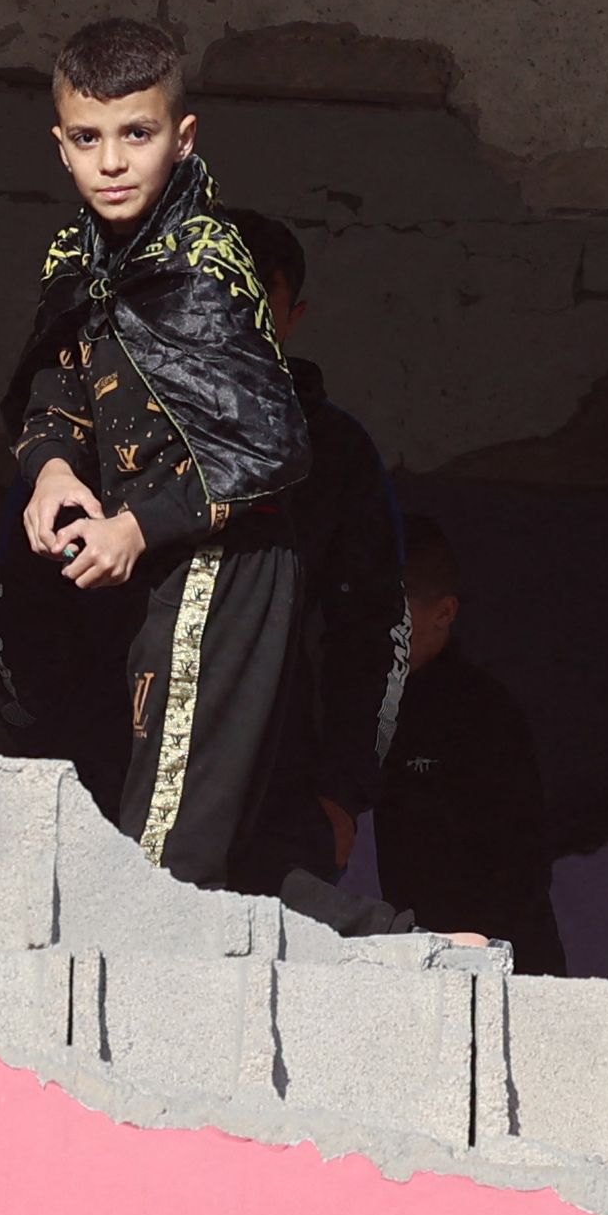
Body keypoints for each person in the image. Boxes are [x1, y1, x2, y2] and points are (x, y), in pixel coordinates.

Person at [0, 17, 319, 893]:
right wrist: (53, 470)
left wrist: (137, 524)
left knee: (165, 849)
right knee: (160, 824)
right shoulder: (78, 252)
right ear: (60, 145)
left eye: (136, 134)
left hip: (218, 565)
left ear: (183, 136)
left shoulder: (205, 261)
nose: (111, 161)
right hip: (129, 573)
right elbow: (56, 383)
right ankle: (413, 946)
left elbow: (267, 442)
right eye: (87, 138)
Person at [235, 210, 408, 888]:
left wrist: (342, 789)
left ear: (292, 316)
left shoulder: (333, 451)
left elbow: (373, 626)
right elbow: (33, 610)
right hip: (120, 776)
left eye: (258, 303)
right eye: (213, 296)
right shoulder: (114, 423)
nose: (233, 322)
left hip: (280, 794)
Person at [376, 517, 566, 974]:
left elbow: (523, 865)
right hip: (414, 958)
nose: (379, 625)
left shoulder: (484, 714)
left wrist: (477, 954)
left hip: (501, 965)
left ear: (444, 613)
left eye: (395, 609)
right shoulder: (366, 698)